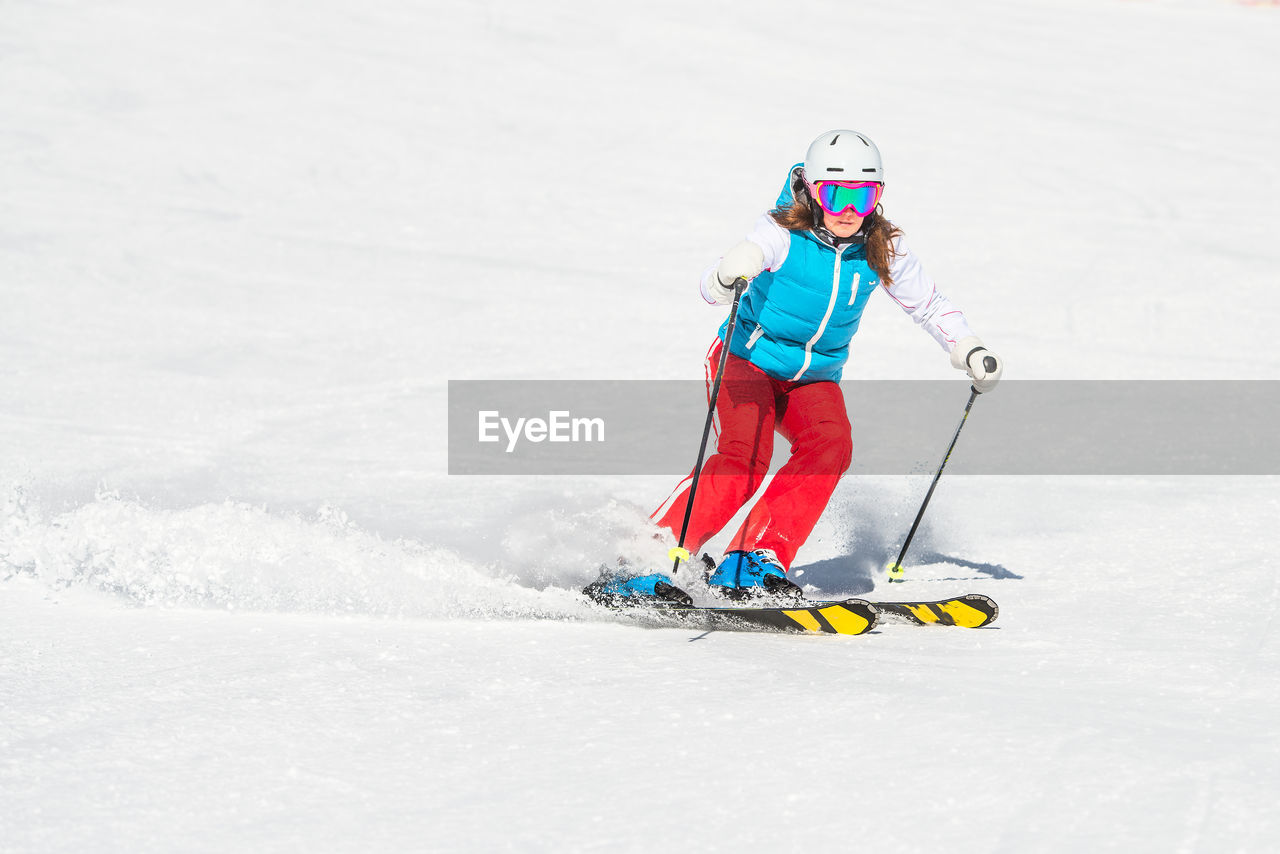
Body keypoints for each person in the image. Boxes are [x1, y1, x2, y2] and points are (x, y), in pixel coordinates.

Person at [594, 129, 1003, 605]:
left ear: (879, 196)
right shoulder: (780, 233)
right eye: (836, 194)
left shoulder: (882, 247)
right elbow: (711, 290)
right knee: (745, 455)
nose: (849, 211)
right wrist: (730, 270)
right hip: (746, 361)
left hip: (812, 376)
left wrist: (968, 346)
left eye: (863, 196)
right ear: (812, 190)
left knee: (831, 444)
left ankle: (752, 558)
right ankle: (646, 556)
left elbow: (929, 306)